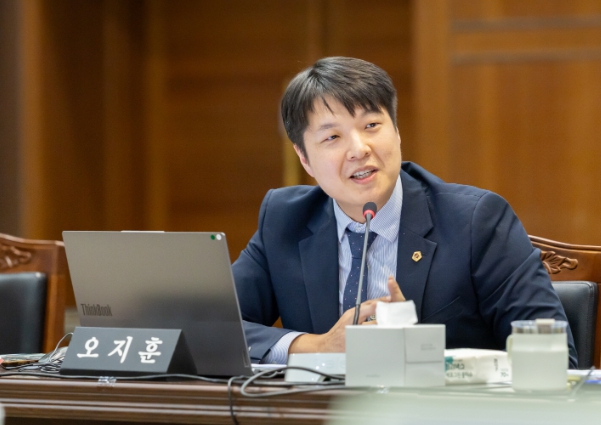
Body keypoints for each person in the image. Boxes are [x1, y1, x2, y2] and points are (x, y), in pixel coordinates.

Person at [232, 56, 578, 367]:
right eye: (332, 137)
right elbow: (211, 328)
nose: (359, 149)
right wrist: (318, 346)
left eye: (371, 125)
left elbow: (555, 356)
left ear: (397, 132)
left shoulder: (474, 221)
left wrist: (419, 350)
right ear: (304, 158)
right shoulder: (285, 220)